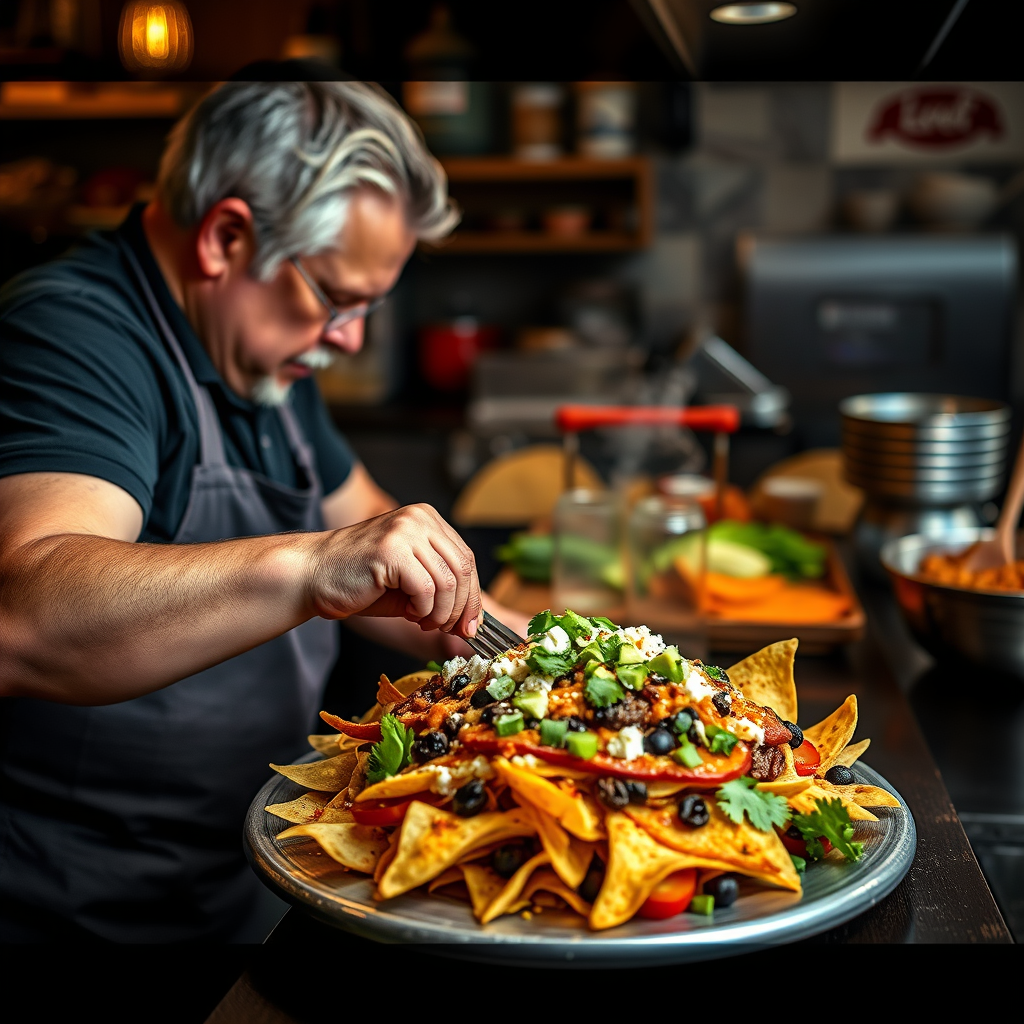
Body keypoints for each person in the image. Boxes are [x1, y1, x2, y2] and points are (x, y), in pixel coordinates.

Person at [0, 79, 529, 942]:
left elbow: (415, 585)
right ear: (227, 237)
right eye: (335, 297)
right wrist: (315, 566)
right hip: (80, 910)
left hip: (244, 880)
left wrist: (569, 663)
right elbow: (23, 612)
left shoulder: (260, 353)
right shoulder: (71, 334)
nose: (351, 337)